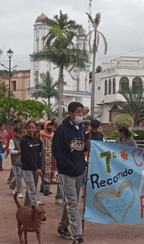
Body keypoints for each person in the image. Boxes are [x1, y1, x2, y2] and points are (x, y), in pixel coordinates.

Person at [53, 102, 87, 244]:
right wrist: (67, 165)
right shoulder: (62, 130)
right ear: (71, 113)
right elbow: (56, 151)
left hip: (79, 171)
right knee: (72, 203)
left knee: (71, 201)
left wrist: (87, 147)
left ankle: (62, 226)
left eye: (82, 112)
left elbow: (81, 147)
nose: (81, 115)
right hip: (67, 172)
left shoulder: (81, 128)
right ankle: (77, 236)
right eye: (78, 112)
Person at [21, 120, 43, 207]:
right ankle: (35, 208)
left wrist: (40, 168)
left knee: (32, 188)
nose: (31, 130)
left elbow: (41, 154)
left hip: (36, 169)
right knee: (32, 188)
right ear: (26, 128)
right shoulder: (24, 140)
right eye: (29, 128)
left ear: (36, 128)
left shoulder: (37, 140)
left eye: (33, 128)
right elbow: (27, 156)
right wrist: (36, 168)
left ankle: (26, 206)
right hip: (27, 168)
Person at [39, 120, 57, 198]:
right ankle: (44, 186)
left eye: (51, 126)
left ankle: (45, 188)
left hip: (50, 154)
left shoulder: (53, 134)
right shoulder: (41, 133)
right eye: (48, 125)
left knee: (48, 170)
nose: (50, 127)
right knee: (43, 170)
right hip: (42, 153)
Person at [8, 127, 25, 199]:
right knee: (18, 176)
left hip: (22, 161)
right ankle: (19, 192)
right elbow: (10, 151)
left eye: (21, 133)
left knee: (20, 176)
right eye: (19, 133)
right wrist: (18, 152)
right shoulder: (12, 141)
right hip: (16, 161)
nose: (20, 134)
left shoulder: (22, 140)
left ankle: (12, 186)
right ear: (15, 133)